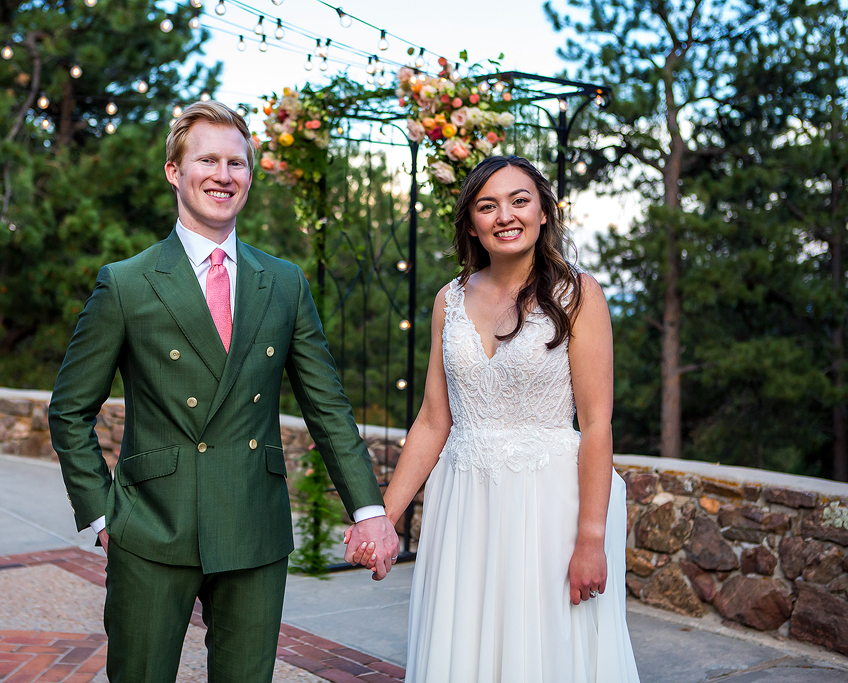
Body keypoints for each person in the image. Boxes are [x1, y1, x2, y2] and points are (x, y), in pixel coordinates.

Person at [49, 101, 399, 683]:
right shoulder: (127, 282)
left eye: (237, 163)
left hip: (252, 527)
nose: (223, 175)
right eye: (207, 160)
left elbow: (327, 407)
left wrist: (369, 509)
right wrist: (100, 514)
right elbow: (69, 411)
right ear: (174, 171)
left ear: (250, 177)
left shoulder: (283, 281)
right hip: (151, 528)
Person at [352, 155, 640, 681]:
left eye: (520, 200)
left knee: (545, 649)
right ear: (472, 224)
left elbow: (597, 425)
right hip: (464, 505)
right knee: (464, 646)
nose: (505, 215)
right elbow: (433, 422)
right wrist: (382, 519)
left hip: (548, 506)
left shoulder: (579, 294)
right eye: (488, 206)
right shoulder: (450, 299)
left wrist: (591, 540)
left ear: (545, 213)